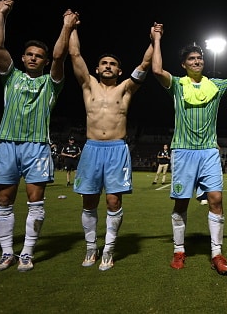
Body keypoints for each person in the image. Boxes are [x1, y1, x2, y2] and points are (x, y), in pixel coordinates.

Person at [151, 31, 227, 275]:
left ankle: (216, 253)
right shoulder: (178, 85)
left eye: (199, 58)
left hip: (209, 151)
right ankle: (179, 250)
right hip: (183, 150)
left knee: (216, 200)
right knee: (181, 203)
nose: (197, 61)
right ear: (184, 64)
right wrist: (156, 39)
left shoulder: (216, 85)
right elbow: (157, 70)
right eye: (191, 59)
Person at [0, 0, 78, 272]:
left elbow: (61, 56)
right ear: (23, 57)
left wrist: (66, 27)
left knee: (35, 201)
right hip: (7, 145)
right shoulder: (10, 76)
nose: (32, 58)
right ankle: (6, 253)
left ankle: (26, 253)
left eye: (38, 56)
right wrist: (0, 13)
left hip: (37, 147)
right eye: (29, 54)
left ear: (45, 60)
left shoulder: (51, 84)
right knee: (4, 200)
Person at [68, 17, 159, 271]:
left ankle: (108, 249)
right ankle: (90, 248)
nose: (108, 66)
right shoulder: (88, 85)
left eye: (113, 64)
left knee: (113, 202)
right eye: (104, 63)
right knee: (88, 201)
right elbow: (74, 54)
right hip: (92, 148)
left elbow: (145, 63)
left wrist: (153, 40)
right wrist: (72, 28)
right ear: (97, 69)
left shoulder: (126, 89)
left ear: (120, 70)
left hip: (117, 149)